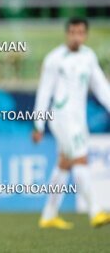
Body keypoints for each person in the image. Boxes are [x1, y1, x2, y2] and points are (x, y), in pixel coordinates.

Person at [33, 17, 110, 229]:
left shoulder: (88, 56)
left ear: (85, 35)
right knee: (80, 159)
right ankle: (95, 210)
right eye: (73, 32)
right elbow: (44, 92)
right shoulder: (55, 59)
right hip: (60, 117)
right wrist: (38, 124)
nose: (76, 37)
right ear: (67, 34)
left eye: (80, 33)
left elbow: (101, 87)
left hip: (78, 118)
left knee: (65, 163)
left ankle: (49, 214)